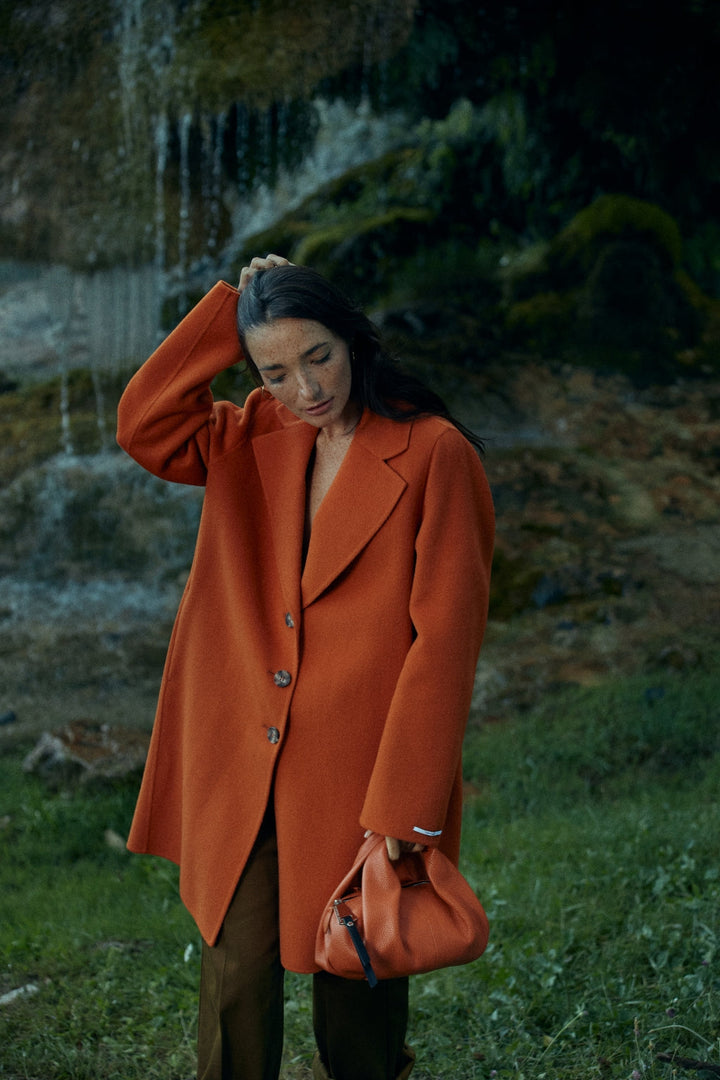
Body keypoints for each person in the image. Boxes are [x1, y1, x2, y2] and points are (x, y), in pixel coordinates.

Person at [117, 254, 495, 1080]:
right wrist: (233, 310)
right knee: (234, 974)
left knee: (355, 980)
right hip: (243, 764)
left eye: (317, 356)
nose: (305, 388)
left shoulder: (435, 455)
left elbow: (446, 642)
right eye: (275, 370)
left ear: (354, 338)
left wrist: (406, 805)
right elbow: (143, 422)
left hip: (361, 778)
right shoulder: (249, 431)